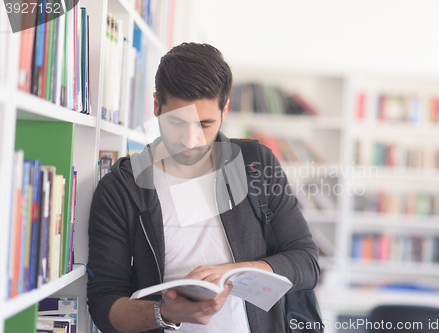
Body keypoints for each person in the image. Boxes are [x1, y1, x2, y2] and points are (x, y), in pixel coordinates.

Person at [87, 42, 320, 333]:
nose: (190, 140)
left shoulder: (256, 164)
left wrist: (234, 272)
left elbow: (307, 263)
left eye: (205, 124)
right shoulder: (121, 188)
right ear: (157, 105)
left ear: (225, 110)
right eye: (176, 122)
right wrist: (163, 313)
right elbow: (103, 303)